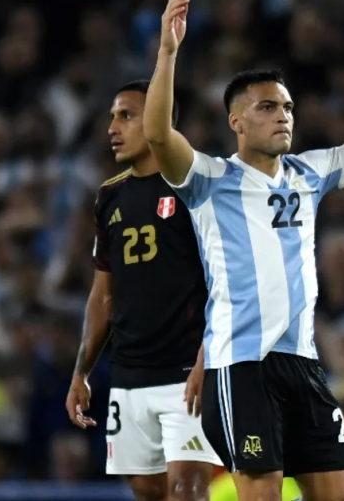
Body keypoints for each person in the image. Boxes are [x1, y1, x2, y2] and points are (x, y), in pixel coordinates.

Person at [142, 0, 344, 501]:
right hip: (243, 366)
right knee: (264, 494)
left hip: (304, 363)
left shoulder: (308, 172)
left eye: (288, 107)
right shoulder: (210, 179)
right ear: (236, 122)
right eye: (268, 107)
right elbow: (158, 136)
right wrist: (167, 52)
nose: (284, 116)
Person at [65, 81, 221, 501]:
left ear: (157, 121)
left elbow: (226, 282)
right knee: (147, 490)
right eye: (113, 116)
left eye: (126, 116)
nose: (113, 127)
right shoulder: (109, 197)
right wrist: (82, 371)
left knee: (187, 489)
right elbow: (102, 295)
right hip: (129, 374)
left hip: (187, 370)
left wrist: (208, 360)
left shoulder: (197, 188)